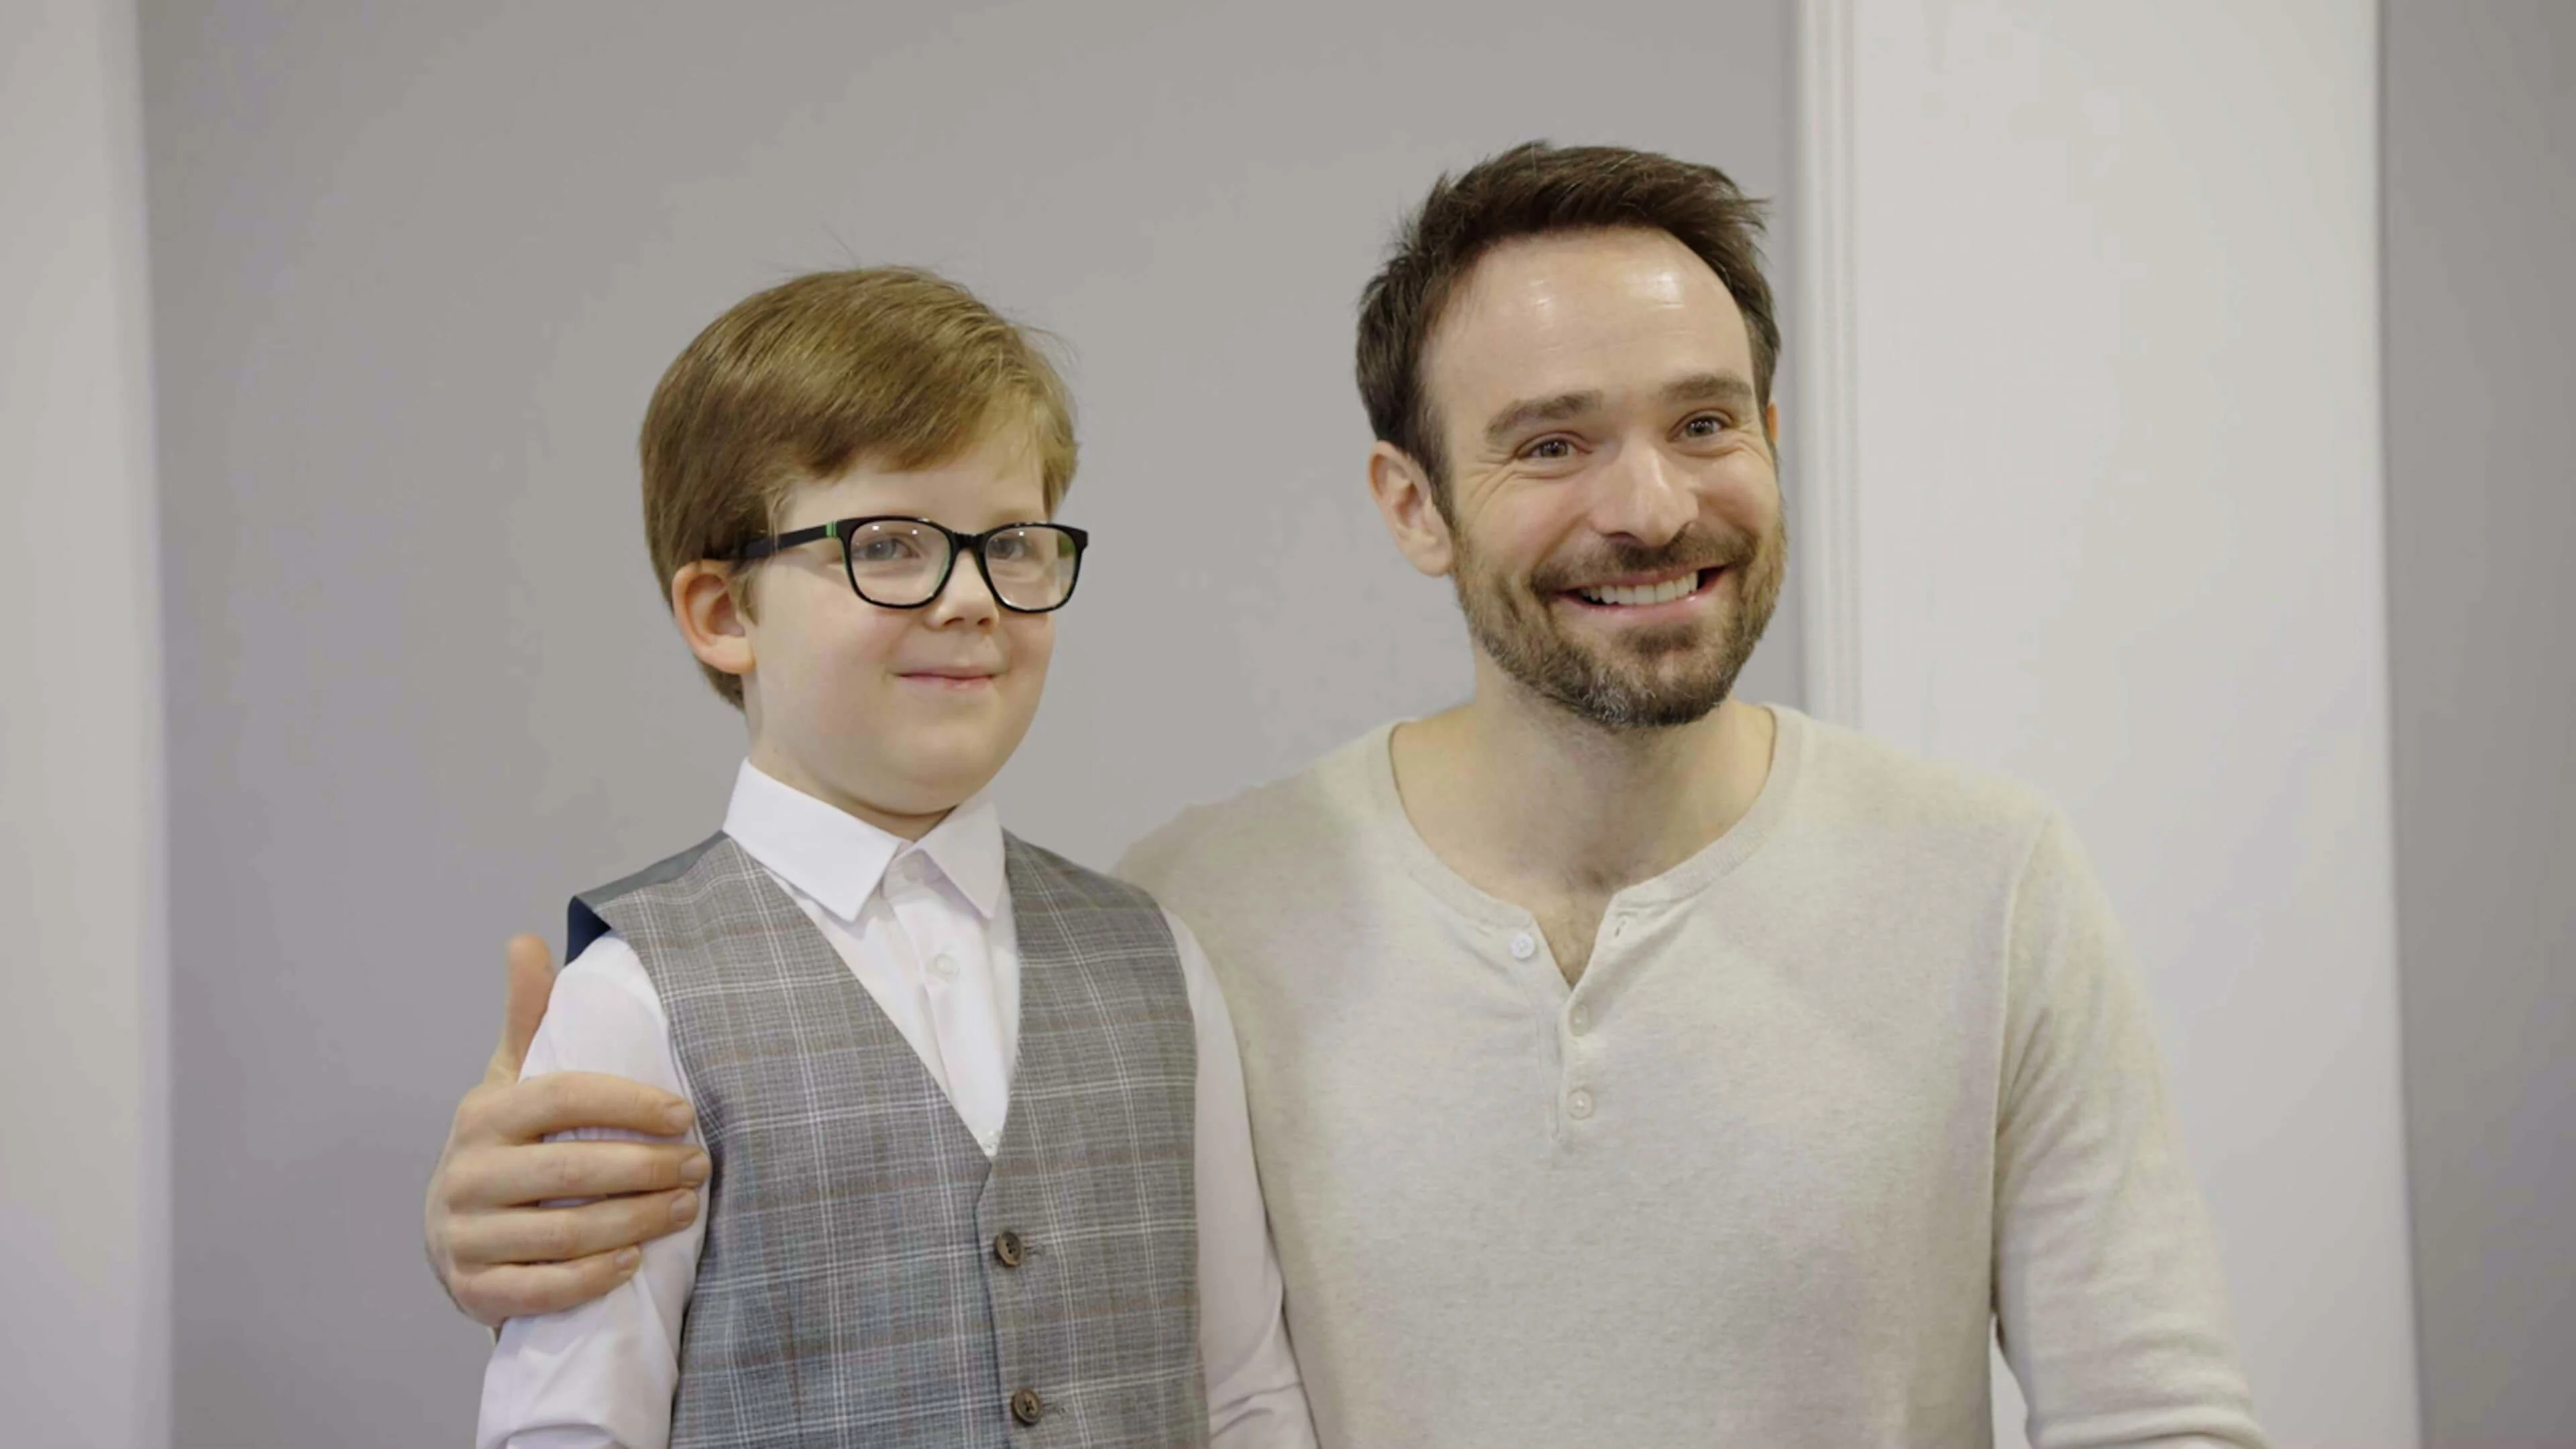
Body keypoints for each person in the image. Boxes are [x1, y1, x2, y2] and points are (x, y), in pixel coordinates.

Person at [431, 145, 2267, 1448]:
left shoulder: (1993, 881)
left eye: (1706, 420)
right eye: (1550, 441)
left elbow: (2161, 1419)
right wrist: (512, 1225)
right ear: (1412, 503)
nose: (1648, 503)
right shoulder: (1205, 912)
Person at [470, 267, 1313, 1449]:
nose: (972, 598)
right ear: (724, 611)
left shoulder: (1155, 961)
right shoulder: (635, 999)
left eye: (1011, 545)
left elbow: (1244, 1392)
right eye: (894, 545)